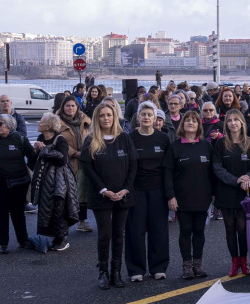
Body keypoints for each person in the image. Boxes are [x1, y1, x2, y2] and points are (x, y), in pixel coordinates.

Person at [82, 100, 137, 289]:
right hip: (101, 196)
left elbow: (133, 166)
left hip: (123, 194)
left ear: (114, 117)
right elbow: (87, 168)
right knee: (105, 234)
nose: (106, 118)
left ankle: (116, 271)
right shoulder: (91, 140)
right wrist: (105, 190)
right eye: (102, 115)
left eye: (109, 115)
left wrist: (125, 189)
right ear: (97, 118)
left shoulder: (124, 138)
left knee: (119, 234)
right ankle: (103, 272)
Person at [124, 101, 174, 282]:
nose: (146, 117)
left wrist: (170, 193)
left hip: (158, 191)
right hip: (136, 190)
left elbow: (169, 167)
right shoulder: (129, 138)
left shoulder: (163, 138)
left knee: (158, 230)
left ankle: (158, 267)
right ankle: (136, 269)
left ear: (155, 118)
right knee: (135, 231)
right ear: (138, 117)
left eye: (150, 115)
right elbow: (126, 167)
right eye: (143, 114)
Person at [0, 113, 36, 254]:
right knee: (0, 214)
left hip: (18, 183)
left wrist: (27, 172)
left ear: (9, 126)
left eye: (0, 124)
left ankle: (23, 240)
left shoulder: (20, 140)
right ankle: (2, 244)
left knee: (18, 214)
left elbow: (32, 157)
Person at [213, 109, 250, 276]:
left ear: (242, 123)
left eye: (236, 120)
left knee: (243, 228)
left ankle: (244, 260)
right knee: (230, 227)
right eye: (230, 120)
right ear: (226, 124)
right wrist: (235, 180)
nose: (233, 123)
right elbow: (217, 168)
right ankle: (234, 262)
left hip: (245, 192)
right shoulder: (220, 144)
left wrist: (248, 176)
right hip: (226, 191)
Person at [170, 110, 213, 279]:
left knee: (199, 230)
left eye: (194, 121)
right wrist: (170, 196)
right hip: (182, 197)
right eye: (187, 120)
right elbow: (168, 173)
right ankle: (186, 265)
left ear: (198, 125)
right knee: (186, 230)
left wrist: (214, 194)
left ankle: (198, 264)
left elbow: (212, 172)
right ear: (182, 124)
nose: (190, 123)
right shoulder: (175, 147)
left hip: (203, 196)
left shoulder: (206, 146)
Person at [30, 112, 80, 252]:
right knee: (48, 208)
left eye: (41, 121)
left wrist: (44, 149)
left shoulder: (60, 139)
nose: (38, 123)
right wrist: (36, 150)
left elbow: (63, 159)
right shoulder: (41, 137)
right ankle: (55, 237)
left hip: (60, 180)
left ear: (48, 126)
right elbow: (35, 159)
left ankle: (63, 238)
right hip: (44, 179)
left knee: (60, 208)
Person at [56, 96, 92, 233]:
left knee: (81, 192)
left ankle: (82, 221)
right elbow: (56, 140)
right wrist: (73, 153)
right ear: (62, 107)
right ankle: (63, 223)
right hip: (66, 161)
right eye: (67, 106)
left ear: (77, 107)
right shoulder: (57, 122)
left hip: (83, 161)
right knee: (65, 193)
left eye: (73, 106)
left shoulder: (85, 121)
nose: (70, 108)